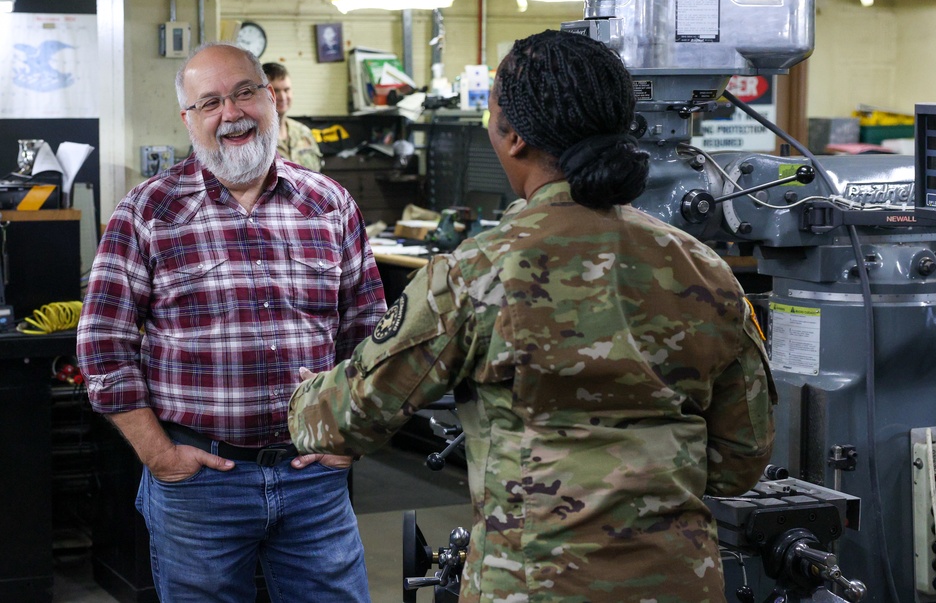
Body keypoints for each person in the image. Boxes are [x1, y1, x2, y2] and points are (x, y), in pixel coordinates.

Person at [288, 29, 776, 601]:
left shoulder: (476, 273)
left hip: (530, 582)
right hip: (678, 580)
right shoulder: (706, 270)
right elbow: (742, 459)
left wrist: (309, 396)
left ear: (513, 136)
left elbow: (340, 420)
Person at [77, 42, 385, 602]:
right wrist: (159, 455)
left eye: (245, 93)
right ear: (188, 119)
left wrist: (355, 434)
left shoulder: (330, 204)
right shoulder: (149, 212)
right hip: (199, 486)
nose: (232, 113)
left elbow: (369, 336)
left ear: (271, 99)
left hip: (313, 478)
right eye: (210, 102)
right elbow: (103, 345)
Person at [263, 61, 324, 171]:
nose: (283, 96)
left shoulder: (303, 133)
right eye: (276, 91)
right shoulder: (256, 137)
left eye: (286, 90)